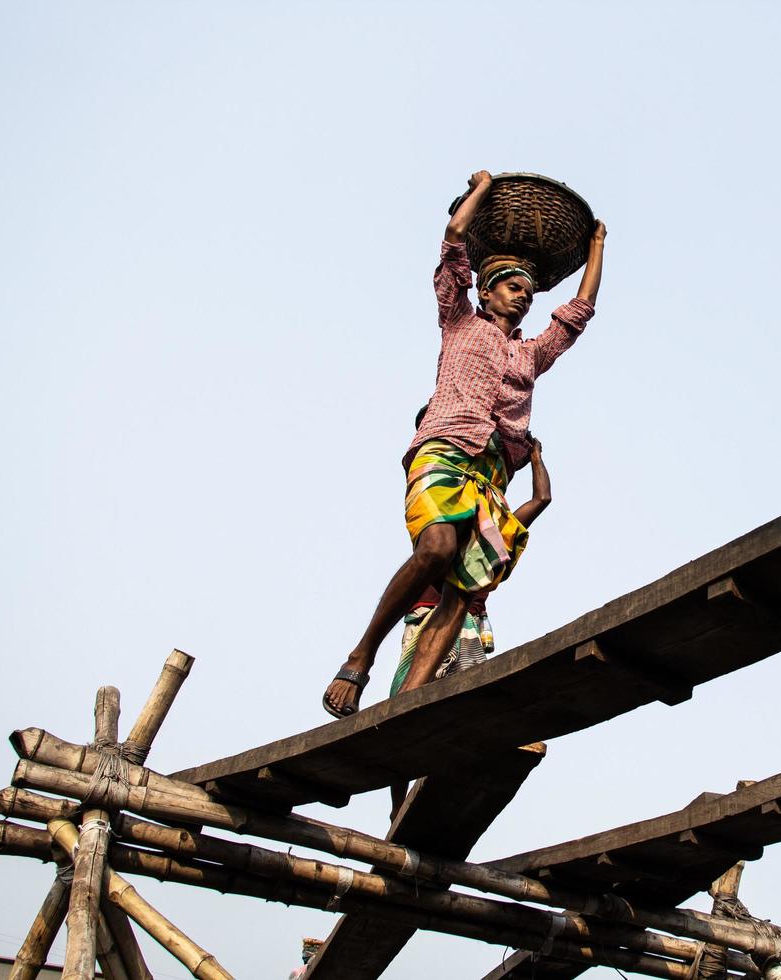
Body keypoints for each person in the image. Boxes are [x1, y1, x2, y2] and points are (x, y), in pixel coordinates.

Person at [322, 169, 605, 719]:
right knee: (436, 551)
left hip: (494, 476)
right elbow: (453, 242)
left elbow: (579, 313)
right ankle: (360, 657)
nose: (522, 299)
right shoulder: (459, 321)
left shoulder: (531, 355)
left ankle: (404, 708)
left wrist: (595, 246)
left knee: (462, 590)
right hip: (445, 448)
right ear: (486, 289)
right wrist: (482, 188)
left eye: (528, 292)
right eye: (512, 288)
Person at [386, 432, 553, 815]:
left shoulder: (492, 526)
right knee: (403, 708)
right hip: (427, 625)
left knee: (466, 705)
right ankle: (398, 806)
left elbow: (541, 500)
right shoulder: (440, 517)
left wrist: (536, 456)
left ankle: (445, 784)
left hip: (470, 629)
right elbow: (421, 472)